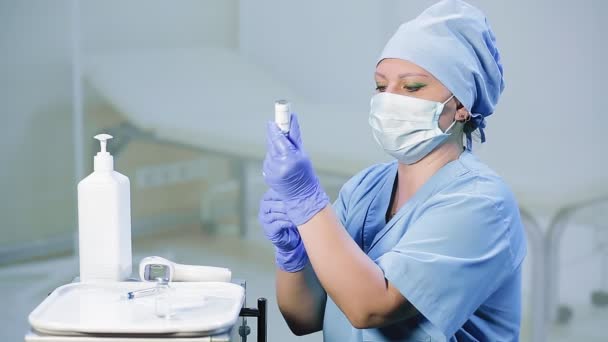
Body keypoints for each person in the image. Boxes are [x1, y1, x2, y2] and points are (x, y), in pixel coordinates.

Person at [258, 0, 527, 341]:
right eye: (381, 86)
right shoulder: (366, 187)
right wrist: (292, 253)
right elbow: (305, 317)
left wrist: (308, 203)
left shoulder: (483, 204)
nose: (390, 99)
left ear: (461, 104)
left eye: (412, 87)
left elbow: (370, 307)